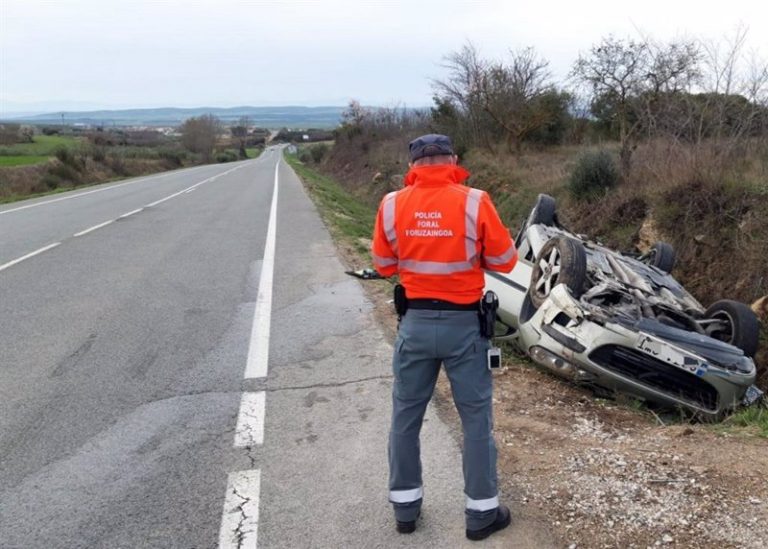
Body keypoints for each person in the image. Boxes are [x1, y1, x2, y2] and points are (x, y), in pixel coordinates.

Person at [371, 134, 518, 541]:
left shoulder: (391, 204)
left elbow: (383, 266)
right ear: (453, 159)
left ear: (413, 165)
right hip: (465, 328)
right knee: (475, 421)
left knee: (405, 417)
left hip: (415, 325)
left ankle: (405, 511)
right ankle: (481, 513)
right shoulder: (475, 200)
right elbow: (506, 259)